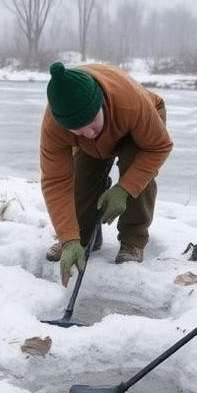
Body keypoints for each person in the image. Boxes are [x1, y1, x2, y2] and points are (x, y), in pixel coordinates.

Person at [41, 61, 173, 285]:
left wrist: (125, 188)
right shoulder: (55, 125)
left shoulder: (132, 104)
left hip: (137, 126)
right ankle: (83, 239)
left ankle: (133, 240)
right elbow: (56, 182)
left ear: (100, 105)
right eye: (77, 131)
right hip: (101, 135)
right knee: (81, 180)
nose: (88, 133)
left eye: (91, 123)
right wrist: (68, 238)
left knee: (135, 168)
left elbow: (159, 147)